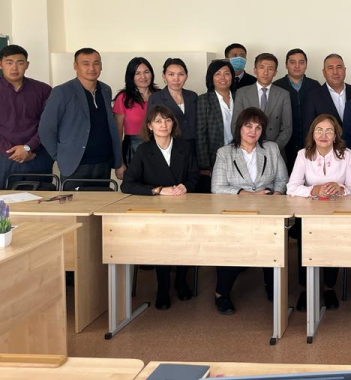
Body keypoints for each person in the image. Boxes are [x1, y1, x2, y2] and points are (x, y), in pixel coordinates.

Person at [119, 105, 199, 310]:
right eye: (158, 121)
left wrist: (186, 186)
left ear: (173, 124)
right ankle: (162, 287)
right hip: (157, 210)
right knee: (161, 244)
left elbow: (194, 176)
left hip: (183, 206)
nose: (163, 125)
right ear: (149, 126)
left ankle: (181, 281)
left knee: (186, 241)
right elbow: (127, 184)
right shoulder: (144, 150)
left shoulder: (185, 146)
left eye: (167, 120)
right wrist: (158, 190)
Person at [211, 107, 288, 315]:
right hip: (236, 213)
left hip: (268, 211)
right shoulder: (225, 153)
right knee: (233, 249)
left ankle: (272, 286)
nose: (253, 131)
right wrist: (246, 194)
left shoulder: (271, 149)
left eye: (258, 127)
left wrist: (276, 194)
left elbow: (282, 179)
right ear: (239, 128)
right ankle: (221, 293)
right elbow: (217, 187)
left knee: (273, 245)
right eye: (248, 126)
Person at [287, 114, 351, 312]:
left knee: (332, 242)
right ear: (313, 134)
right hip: (309, 212)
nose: (324, 135)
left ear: (335, 136)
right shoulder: (303, 154)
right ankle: (305, 289)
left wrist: (341, 189)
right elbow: (291, 188)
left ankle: (329, 287)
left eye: (329, 131)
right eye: (319, 130)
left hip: (336, 213)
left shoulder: (346, 155)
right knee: (304, 239)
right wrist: (314, 190)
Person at [40, 48, 121, 184]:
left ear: (101, 66)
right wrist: (60, 155)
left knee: (103, 197)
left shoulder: (105, 90)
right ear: (75, 66)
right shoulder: (62, 92)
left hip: (103, 163)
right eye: (85, 63)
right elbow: (46, 129)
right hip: (75, 165)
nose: (92, 68)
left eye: (96, 63)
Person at [0, 45, 53, 189]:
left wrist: (29, 148)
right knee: (4, 201)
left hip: (36, 156)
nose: (14, 67)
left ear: (27, 65)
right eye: (9, 62)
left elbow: (49, 124)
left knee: (39, 199)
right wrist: (10, 151)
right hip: (3, 158)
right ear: (1, 64)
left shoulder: (43, 90)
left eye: (20, 62)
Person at [231, 53, 292, 157]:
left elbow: (287, 128)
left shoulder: (283, 94)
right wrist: (247, 147)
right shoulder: (242, 93)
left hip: (275, 152)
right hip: (246, 151)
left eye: (270, 69)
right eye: (261, 67)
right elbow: (235, 125)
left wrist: (273, 149)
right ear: (255, 70)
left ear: (275, 72)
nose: (265, 72)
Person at [274, 48, 320, 170]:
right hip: (284, 143)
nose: (297, 66)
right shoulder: (277, 86)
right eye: (292, 62)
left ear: (306, 65)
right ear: (286, 65)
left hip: (311, 141)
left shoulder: (315, 86)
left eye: (301, 62)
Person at [113, 57, 159, 180]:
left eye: (146, 72)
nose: (143, 77)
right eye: (137, 73)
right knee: (136, 187)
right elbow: (117, 134)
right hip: (133, 149)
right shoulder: (123, 98)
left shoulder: (160, 95)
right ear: (131, 76)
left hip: (159, 147)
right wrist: (119, 163)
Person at [196, 59, 236, 193]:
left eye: (227, 73)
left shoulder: (239, 96)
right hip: (216, 156)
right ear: (211, 78)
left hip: (239, 153)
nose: (222, 78)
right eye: (217, 74)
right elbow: (200, 134)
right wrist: (205, 165)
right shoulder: (204, 100)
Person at [302, 53, 351, 138]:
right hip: (326, 145)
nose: (335, 72)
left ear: (345, 70)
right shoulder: (313, 96)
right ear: (324, 72)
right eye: (330, 68)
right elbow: (309, 130)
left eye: (339, 67)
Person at [147, 58, 198, 152]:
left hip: (194, 146)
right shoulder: (156, 98)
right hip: (169, 147)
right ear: (164, 76)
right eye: (171, 74)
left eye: (181, 74)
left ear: (186, 76)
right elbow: (150, 126)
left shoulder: (192, 96)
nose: (176, 79)